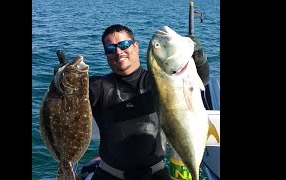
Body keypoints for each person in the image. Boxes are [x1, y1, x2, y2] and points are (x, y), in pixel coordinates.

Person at [56, 24, 210, 180]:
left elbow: (199, 81)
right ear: (106, 54)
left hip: (155, 173)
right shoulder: (97, 86)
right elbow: (66, 108)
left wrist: (199, 57)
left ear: (136, 46)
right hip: (109, 174)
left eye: (124, 45)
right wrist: (61, 86)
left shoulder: (159, 81)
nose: (118, 51)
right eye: (110, 49)